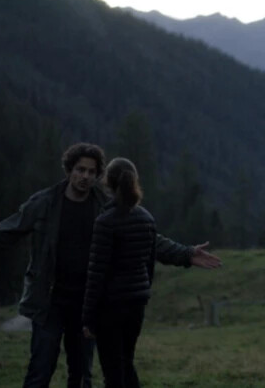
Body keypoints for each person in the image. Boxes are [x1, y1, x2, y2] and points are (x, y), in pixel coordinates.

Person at [0, 143, 222, 388]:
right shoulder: (44, 204)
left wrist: (185, 254)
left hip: (88, 304)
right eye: (80, 170)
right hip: (49, 301)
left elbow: (146, 237)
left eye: (91, 172)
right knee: (40, 371)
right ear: (69, 169)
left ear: (99, 175)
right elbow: (3, 232)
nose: (85, 176)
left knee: (81, 376)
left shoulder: (105, 206)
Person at [82, 157, 155, 388]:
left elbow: (97, 273)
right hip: (137, 303)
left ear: (108, 184)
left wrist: (88, 317)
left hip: (110, 306)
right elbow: (149, 265)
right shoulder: (146, 218)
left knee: (113, 370)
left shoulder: (105, 222)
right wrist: (143, 290)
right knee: (126, 362)